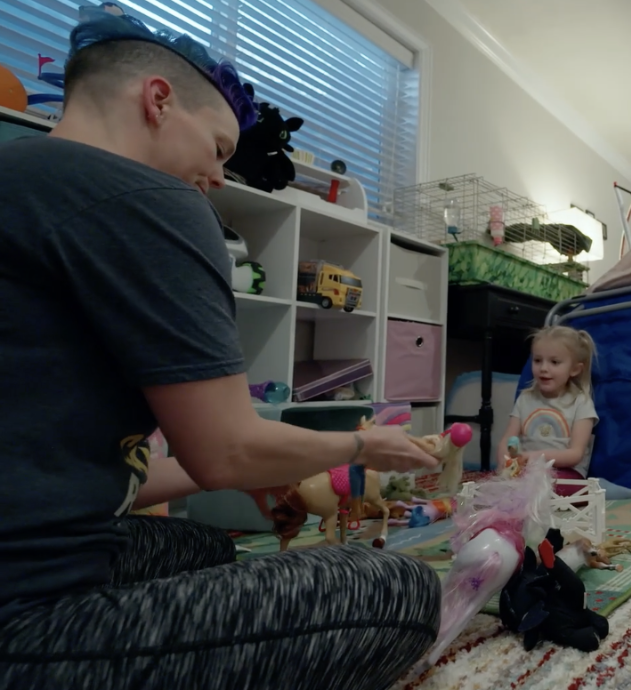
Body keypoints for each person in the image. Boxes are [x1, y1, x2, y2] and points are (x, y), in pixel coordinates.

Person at [0, 6, 443, 688]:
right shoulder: (150, 198)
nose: (217, 179)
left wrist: (257, 465)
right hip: (24, 615)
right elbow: (225, 449)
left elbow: (90, 469)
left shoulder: (23, 176)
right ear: (157, 100)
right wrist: (359, 446)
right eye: (218, 150)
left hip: (40, 540)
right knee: (398, 591)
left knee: (205, 546)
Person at [502, 325, 600, 497]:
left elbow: (575, 454)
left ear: (575, 369)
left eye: (554, 362)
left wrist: (533, 458)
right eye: (538, 360)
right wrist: (504, 464)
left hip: (566, 474)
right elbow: (508, 439)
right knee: (489, 485)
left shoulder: (581, 403)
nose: (543, 368)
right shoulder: (525, 399)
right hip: (526, 471)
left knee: (548, 488)